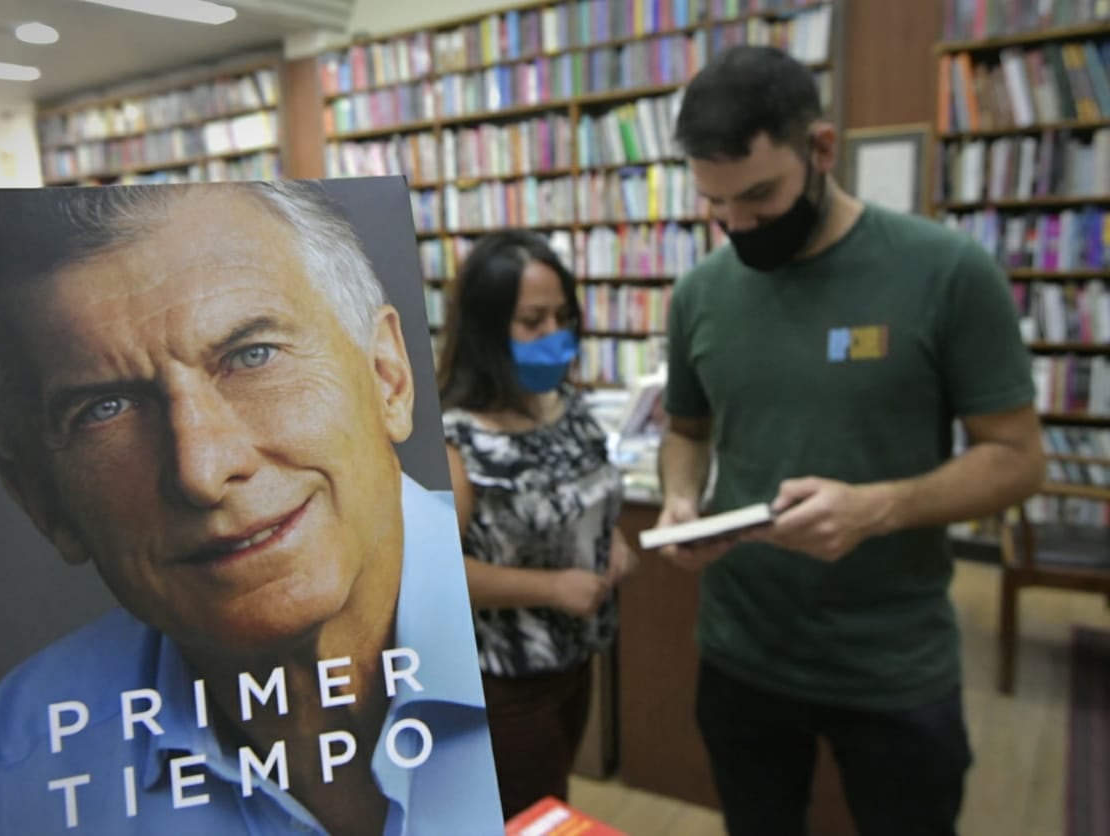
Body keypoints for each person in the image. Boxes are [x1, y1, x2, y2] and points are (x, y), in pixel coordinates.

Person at [0, 180, 503, 835]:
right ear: (41, 502)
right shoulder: (27, 765)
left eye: (253, 355)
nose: (204, 471)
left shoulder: (522, 662)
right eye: (105, 410)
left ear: (388, 376)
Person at [650, 45, 1045, 836]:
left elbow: (1016, 459)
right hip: (740, 649)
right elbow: (686, 431)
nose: (740, 227)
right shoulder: (700, 293)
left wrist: (879, 507)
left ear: (822, 149)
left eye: (760, 196)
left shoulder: (946, 272)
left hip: (890, 660)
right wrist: (680, 497)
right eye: (716, 205)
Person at [438, 230, 635, 819]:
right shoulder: (458, 439)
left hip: (577, 657)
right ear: (489, 329)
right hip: (506, 680)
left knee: (554, 805)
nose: (556, 336)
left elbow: (590, 497)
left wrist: (612, 539)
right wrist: (551, 588)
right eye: (533, 321)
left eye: (563, 316)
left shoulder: (567, 407)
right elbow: (435, 577)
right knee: (533, 814)